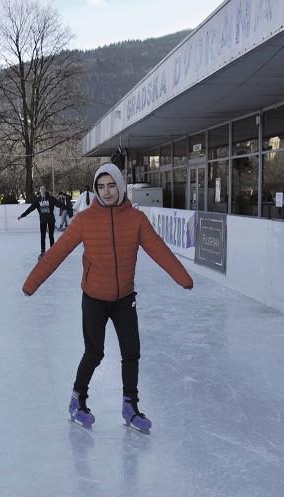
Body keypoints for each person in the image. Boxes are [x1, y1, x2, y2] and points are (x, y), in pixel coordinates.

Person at [22, 163, 194, 433]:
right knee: (94, 352)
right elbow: (57, 253)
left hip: (125, 298)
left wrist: (182, 277)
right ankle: (77, 401)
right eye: (101, 187)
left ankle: (130, 406)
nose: (107, 191)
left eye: (111, 185)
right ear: (95, 189)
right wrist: (32, 283)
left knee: (131, 352)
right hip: (94, 297)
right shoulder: (85, 220)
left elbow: (159, 250)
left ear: (121, 186)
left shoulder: (136, 220)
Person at [17, 185, 70, 259]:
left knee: (51, 236)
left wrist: (68, 208)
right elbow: (30, 209)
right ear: (39, 190)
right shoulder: (37, 200)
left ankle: (52, 250)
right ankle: (42, 251)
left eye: (44, 189)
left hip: (51, 219)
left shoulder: (51, 198)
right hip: (43, 220)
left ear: (45, 190)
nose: (42, 190)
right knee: (43, 236)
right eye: (41, 189)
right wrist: (22, 215)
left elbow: (59, 204)